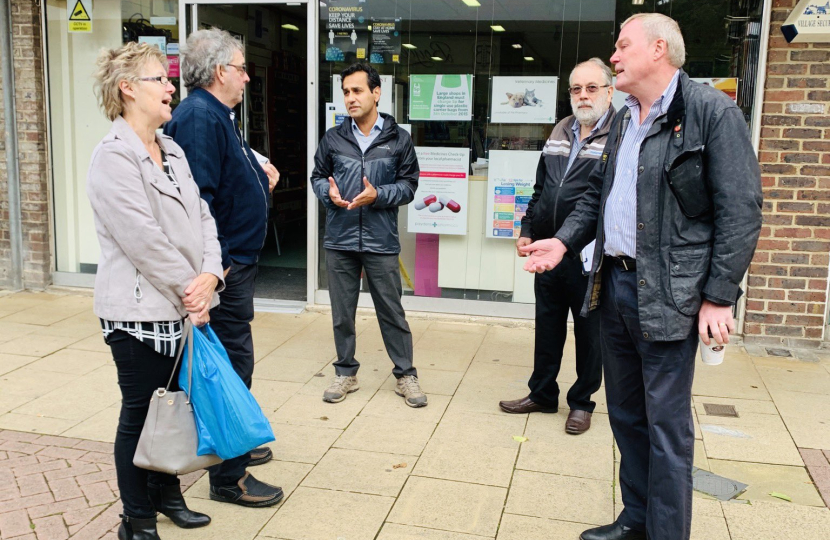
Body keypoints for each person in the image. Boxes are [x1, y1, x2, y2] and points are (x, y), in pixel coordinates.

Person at [520, 13, 762, 540]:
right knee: (626, 416)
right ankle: (636, 519)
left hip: (672, 295)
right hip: (614, 286)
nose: (614, 57)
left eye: (622, 46)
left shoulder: (711, 112)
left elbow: (741, 211)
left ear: (658, 49)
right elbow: (597, 196)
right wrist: (562, 242)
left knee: (666, 428)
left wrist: (720, 296)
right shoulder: (625, 117)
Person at [88, 42, 224, 540]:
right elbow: (143, 240)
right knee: (141, 415)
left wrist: (212, 275)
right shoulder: (113, 157)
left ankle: (167, 496)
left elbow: (203, 216)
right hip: (138, 313)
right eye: (160, 79)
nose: (171, 87)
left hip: (183, 305)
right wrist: (194, 289)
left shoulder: (173, 149)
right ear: (127, 88)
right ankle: (136, 519)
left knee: (174, 409)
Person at [164, 28, 282, 508]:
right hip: (224, 271)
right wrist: (220, 265)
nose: (247, 78)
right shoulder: (199, 117)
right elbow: (199, 201)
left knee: (236, 360)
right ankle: (228, 478)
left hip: (232, 264)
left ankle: (235, 447)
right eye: (241, 68)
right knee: (233, 365)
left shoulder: (217, 114)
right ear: (219, 72)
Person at [499, 58, 616, 435]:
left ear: (610, 91)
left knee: (589, 334)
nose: (583, 96)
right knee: (547, 328)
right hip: (547, 250)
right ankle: (543, 394)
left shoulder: (619, 133)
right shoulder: (561, 129)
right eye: (576, 89)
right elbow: (542, 188)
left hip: (588, 254)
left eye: (592, 88)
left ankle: (582, 402)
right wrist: (527, 228)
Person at [310, 63, 426, 407]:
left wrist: (379, 195)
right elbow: (318, 176)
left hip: (380, 239)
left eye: (357, 90)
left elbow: (409, 186)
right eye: (346, 92)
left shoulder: (398, 139)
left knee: (391, 311)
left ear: (376, 93)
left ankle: (405, 375)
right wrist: (326, 192)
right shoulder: (333, 138)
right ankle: (345, 372)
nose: (350, 98)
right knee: (342, 313)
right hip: (340, 238)